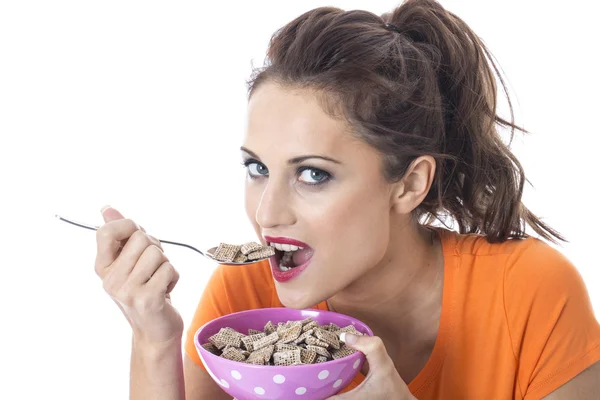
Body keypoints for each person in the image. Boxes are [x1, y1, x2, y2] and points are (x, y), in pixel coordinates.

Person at [94, 0, 600, 398]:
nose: (266, 214)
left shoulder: (529, 293)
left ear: (408, 184)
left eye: (313, 174)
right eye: (257, 168)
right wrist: (153, 339)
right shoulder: (245, 299)